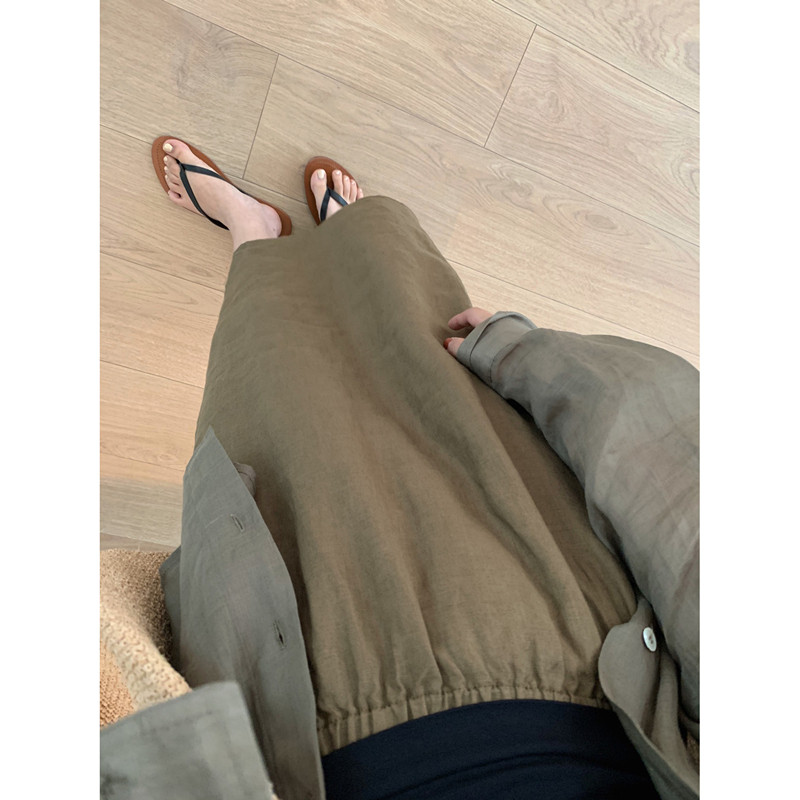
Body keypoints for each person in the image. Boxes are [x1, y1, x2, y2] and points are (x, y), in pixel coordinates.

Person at [100, 138, 699, 800]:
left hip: (291, 717)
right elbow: (688, 507)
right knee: (405, 344)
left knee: (268, 383)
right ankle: (349, 232)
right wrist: (523, 357)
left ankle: (254, 236)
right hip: (548, 621)